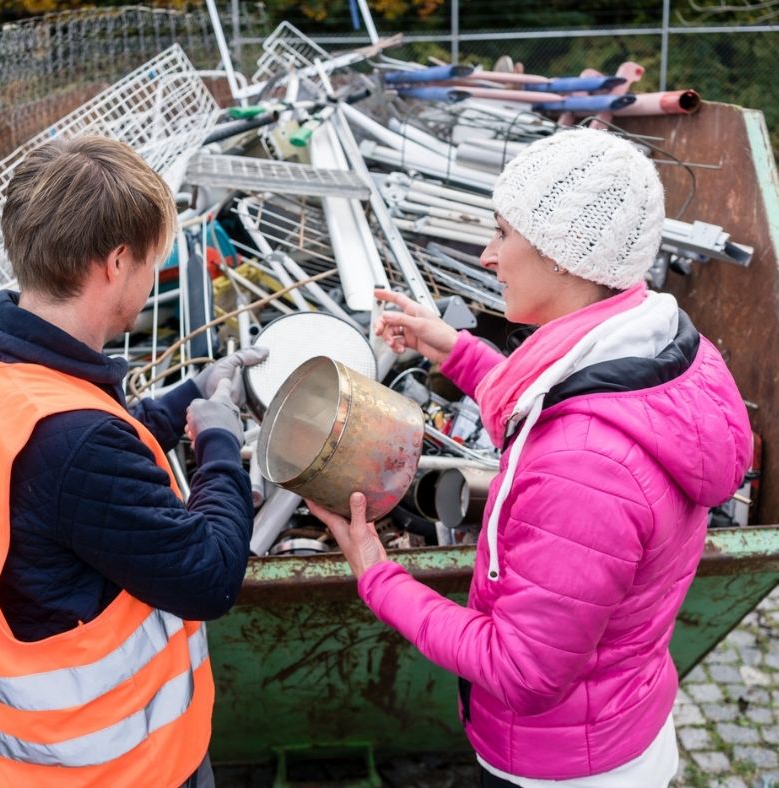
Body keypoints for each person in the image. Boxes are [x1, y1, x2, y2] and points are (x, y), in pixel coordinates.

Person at [308, 127, 753, 787]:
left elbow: (522, 672)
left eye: (502, 234)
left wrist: (377, 574)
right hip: (619, 722)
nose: (487, 256)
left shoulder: (584, 467)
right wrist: (451, 348)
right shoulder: (661, 343)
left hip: (562, 770)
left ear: (564, 258)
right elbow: (566, 399)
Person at [0, 135, 265, 788]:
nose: (152, 276)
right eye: (151, 262)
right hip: (120, 766)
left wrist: (186, 399)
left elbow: (68, 479)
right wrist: (220, 441)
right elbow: (210, 575)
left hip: (32, 756)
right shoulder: (73, 443)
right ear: (115, 263)